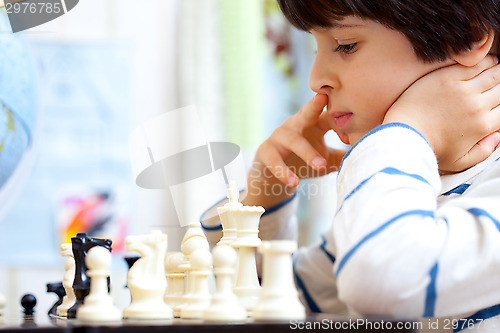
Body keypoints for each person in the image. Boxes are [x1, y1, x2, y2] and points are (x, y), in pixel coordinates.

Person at [202, 0, 500, 330]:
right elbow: (271, 300)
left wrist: (403, 131)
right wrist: (264, 192)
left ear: (468, 35)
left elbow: (382, 279)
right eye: (316, 49)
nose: (315, 80)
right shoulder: (398, 192)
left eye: (346, 46)